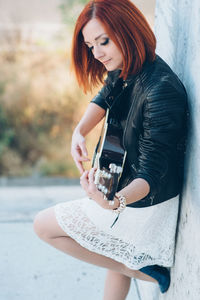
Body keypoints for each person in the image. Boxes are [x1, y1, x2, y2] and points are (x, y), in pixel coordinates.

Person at [33, 0, 188, 298]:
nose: (97, 53)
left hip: (143, 203)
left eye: (103, 41)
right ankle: (129, 264)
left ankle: (143, 269)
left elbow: (152, 173)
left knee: (43, 226)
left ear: (128, 30)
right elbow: (106, 95)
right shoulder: (127, 67)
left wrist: (114, 202)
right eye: (91, 45)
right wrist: (79, 132)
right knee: (111, 260)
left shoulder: (162, 89)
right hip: (116, 178)